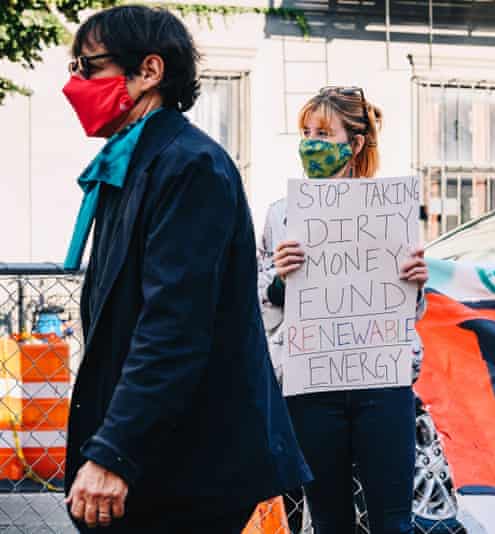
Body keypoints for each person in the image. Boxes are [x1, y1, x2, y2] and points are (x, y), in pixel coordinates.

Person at [61, 6, 310, 532]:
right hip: (162, 455)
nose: (74, 84)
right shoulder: (132, 163)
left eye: (88, 67)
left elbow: (173, 329)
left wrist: (113, 453)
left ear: (149, 71)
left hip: (189, 467)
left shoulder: (189, 165)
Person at [257, 86, 427, 534]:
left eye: (324, 133)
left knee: (393, 521)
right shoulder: (281, 215)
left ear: (354, 144)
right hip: (312, 382)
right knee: (330, 520)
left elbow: (410, 312)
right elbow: (261, 303)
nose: (311, 142)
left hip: (381, 380)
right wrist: (277, 281)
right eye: (306, 131)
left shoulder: (392, 211)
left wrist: (414, 280)